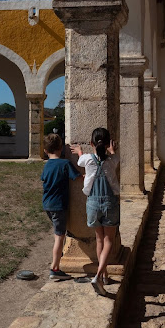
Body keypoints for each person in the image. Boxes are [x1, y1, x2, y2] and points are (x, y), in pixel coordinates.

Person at [70, 127, 120, 296]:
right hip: (109, 203)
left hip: (92, 204)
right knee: (109, 241)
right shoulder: (113, 160)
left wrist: (79, 152)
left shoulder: (86, 159)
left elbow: (80, 161)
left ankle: (104, 274)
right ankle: (99, 275)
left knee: (99, 240)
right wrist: (112, 151)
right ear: (108, 144)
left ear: (91, 143)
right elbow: (114, 159)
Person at [41, 133, 82, 280]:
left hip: (47, 204)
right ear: (61, 148)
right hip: (59, 205)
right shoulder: (65, 164)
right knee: (59, 237)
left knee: (58, 233)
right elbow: (78, 177)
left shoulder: (46, 166)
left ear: (45, 151)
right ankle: (55, 267)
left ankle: (57, 260)